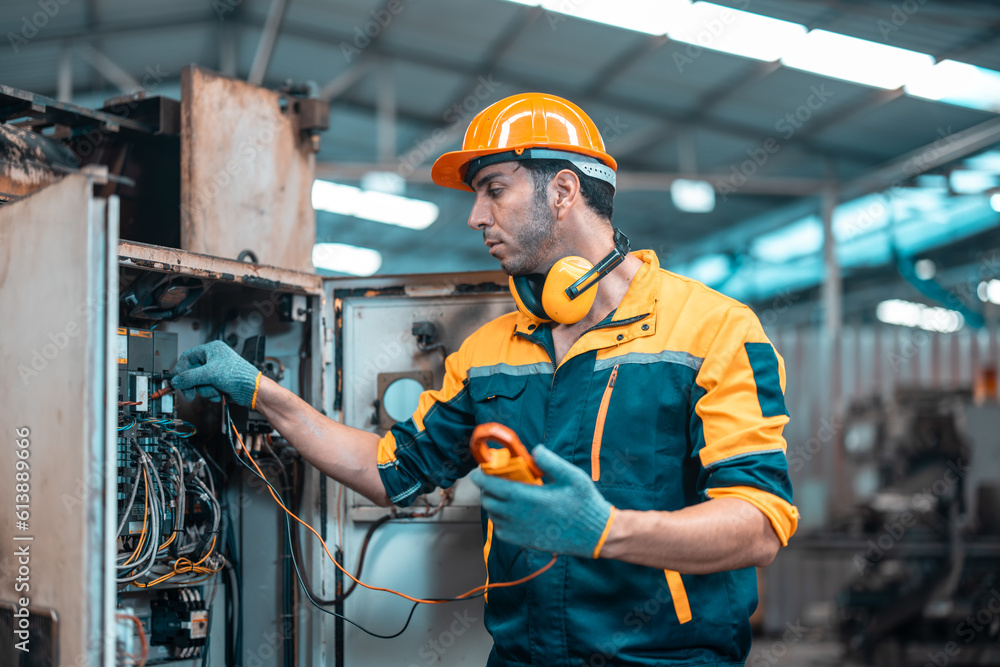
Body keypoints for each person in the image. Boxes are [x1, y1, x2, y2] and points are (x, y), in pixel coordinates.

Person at [171, 92, 798, 666]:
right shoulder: (491, 350)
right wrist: (263, 393)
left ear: (563, 190)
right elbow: (389, 470)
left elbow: (759, 523)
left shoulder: (713, 330)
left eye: (494, 189)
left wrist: (609, 532)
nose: (476, 216)